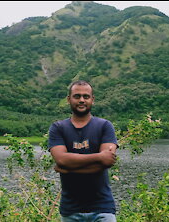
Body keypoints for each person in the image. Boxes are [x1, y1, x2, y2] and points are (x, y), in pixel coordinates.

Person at [48, 80, 118, 222]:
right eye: (77, 96)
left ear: (92, 100)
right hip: (70, 210)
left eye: (86, 96)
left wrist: (67, 168)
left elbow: (106, 162)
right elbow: (61, 159)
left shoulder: (105, 126)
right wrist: (99, 157)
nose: (81, 100)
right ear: (69, 99)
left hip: (102, 209)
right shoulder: (58, 128)